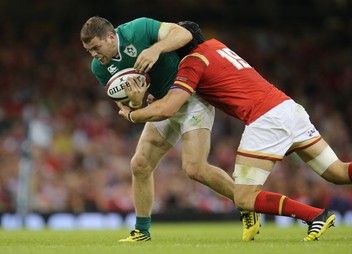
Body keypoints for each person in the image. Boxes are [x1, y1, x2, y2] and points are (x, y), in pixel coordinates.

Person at [118, 21, 352, 241]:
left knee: (244, 197)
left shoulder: (193, 61)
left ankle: (315, 216)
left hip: (266, 119)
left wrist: (133, 113)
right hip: (288, 108)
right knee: (338, 172)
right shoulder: (217, 47)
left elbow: (169, 108)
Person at [80, 17, 260, 242]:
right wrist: (136, 102)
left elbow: (185, 35)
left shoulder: (138, 29)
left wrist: (156, 49)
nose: (94, 54)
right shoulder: (99, 67)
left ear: (111, 36)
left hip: (191, 98)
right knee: (140, 164)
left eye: (96, 47)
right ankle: (142, 231)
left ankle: (247, 204)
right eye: (89, 50)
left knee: (195, 169)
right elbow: (127, 107)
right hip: (161, 104)